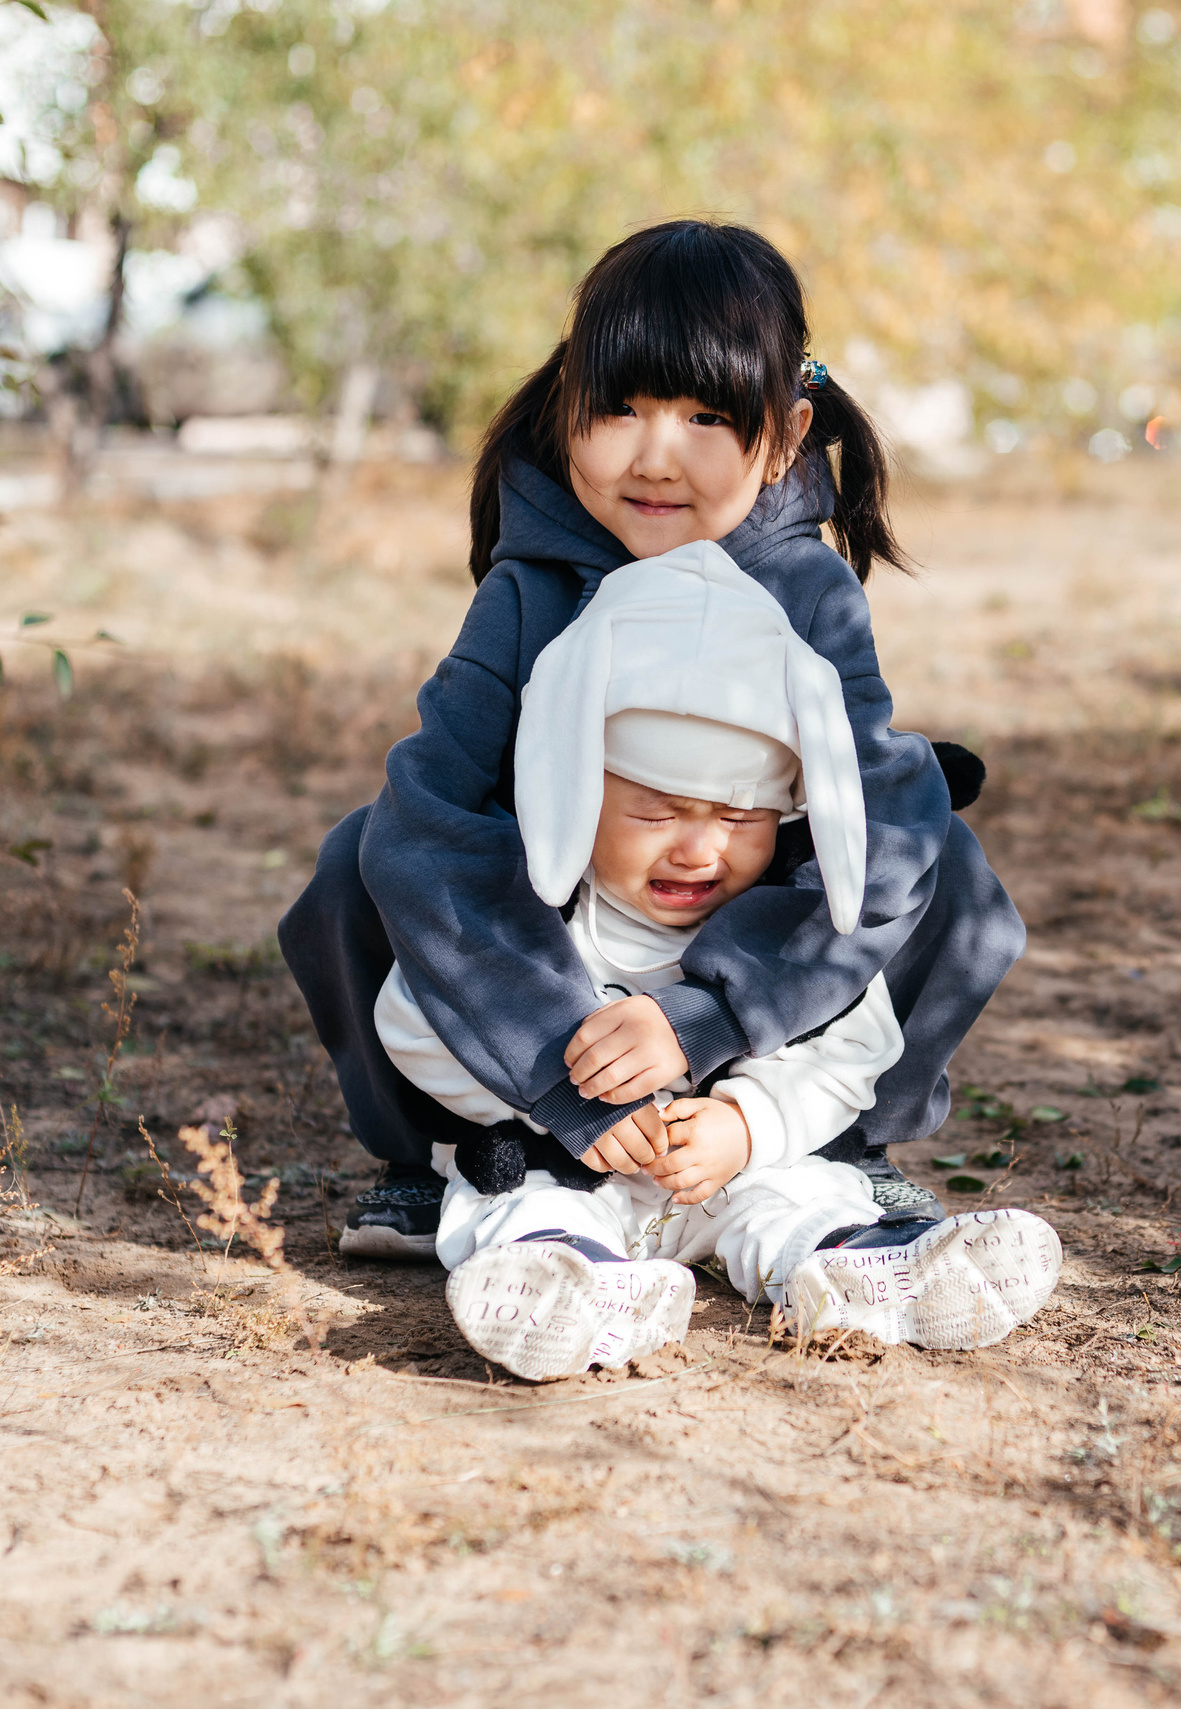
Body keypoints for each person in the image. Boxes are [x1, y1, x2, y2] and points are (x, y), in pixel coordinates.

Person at [278, 219, 1025, 1262]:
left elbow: (877, 822)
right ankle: (449, 1149)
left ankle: (840, 1143)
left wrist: (705, 1015)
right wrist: (551, 1064)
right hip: (566, 948)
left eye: (706, 414)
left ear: (784, 433)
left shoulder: (805, 591)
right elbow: (435, 825)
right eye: (618, 408)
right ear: (566, 408)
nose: (653, 453)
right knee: (362, 859)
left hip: (737, 929)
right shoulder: (531, 587)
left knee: (939, 858)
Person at [385, 541, 1060, 1380]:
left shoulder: (783, 927)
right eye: (656, 811)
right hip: (564, 1165)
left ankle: (866, 1268)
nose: (700, 850)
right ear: (576, 789)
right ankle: (570, 1286)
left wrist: (750, 1124)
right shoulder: (536, 915)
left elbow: (851, 1052)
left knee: (803, 1197)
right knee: (516, 1209)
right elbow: (418, 1016)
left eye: (742, 820)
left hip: (736, 1171)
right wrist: (555, 1102)